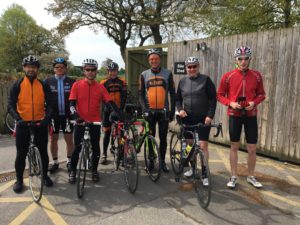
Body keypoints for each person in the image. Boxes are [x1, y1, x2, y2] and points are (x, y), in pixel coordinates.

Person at [217, 46, 266, 188]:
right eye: (240, 59)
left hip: (250, 114)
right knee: (234, 146)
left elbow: (262, 94)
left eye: (246, 58)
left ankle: (251, 176)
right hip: (234, 114)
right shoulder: (228, 76)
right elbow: (219, 95)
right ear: (235, 60)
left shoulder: (256, 75)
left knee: (252, 147)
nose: (243, 62)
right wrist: (230, 103)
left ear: (250, 59)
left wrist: (254, 102)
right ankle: (233, 176)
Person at [68, 58, 121, 183]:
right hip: (80, 121)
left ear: (96, 71)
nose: (90, 72)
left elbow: (109, 102)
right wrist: (75, 116)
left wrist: (116, 113)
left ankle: (94, 171)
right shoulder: (77, 85)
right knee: (76, 148)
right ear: (84, 71)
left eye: (93, 70)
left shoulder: (100, 87)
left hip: (95, 122)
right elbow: (71, 103)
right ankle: (73, 171)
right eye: (87, 69)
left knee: (96, 148)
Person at [7, 55, 53, 193]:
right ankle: (19, 180)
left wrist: (47, 119)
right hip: (22, 124)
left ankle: (45, 176)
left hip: (40, 123)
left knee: (43, 152)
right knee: (21, 154)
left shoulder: (43, 85)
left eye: (34, 67)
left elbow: (50, 104)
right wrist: (18, 118)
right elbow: (10, 104)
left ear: (37, 69)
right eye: (28, 66)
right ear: (24, 68)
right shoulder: (17, 84)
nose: (31, 69)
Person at [176, 56, 217, 185]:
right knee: (190, 144)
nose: (192, 69)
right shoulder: (182, 82)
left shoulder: (206, 80)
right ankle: (193, 169)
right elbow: (177, 99)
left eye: (194, 66)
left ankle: (204, 172)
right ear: (186, 68)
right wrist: (180, 109)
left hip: (203, 118)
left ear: (198, 67)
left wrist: (210, 116)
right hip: (188, 118)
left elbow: (213, 99)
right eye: (189, 67)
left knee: (203, 145)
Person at [139, 49, 175, 172]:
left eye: (156, 59)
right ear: (149, 61)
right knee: (150, 136)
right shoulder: (144, 74)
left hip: (163, 111)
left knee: (163, 137)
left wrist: (172, 110)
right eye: (151, 59)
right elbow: (140, 94)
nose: (154, 61)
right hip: (149, 111)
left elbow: (172, 93)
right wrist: (144, 109)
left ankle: (163, 161)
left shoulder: (168, 73)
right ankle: (150, 160)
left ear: (160, 60)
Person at [44, 57, 75, 173]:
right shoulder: (47, 82)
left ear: (65, 68)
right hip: (53, 116)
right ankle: (55, 162)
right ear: (54, 69)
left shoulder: (72, 82)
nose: (59, 69)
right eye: (57, 67)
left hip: (68, 116)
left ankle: (69, 161)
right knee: (53, 139)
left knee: (69, 139)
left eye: (62, 67)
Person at [100, 62, 127, 165]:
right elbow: (102, 98)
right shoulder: (103, 82)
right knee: (107, 132)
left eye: (114, 70)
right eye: (111, 71)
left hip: (119, 110)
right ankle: (104, 154)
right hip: (107, 111)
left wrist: (120, 109)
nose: (113, 73)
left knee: (121, 133)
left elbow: (124, 96)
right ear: (108, 71)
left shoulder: (122, 82)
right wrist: (108, 109)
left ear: (117, 71)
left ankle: (121, 154)